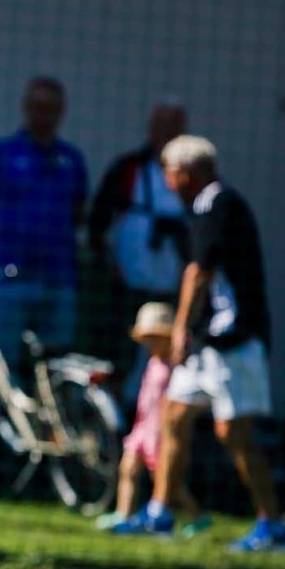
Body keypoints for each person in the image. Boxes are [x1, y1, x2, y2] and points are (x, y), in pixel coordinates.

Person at [116, 136, 285, 553]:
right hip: (211, 339)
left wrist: (180, 327)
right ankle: (160, 513)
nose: (168, 182)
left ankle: (272, 526)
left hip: (235, 339)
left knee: (234, 433)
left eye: (170, 173)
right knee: (173, 415)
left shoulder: (217, 204)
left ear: (186, 173)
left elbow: (199, 271)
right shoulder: (207, 206)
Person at [0, 76, 89, 366]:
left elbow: (78, 211)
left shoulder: (71, 159)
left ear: (62, 111)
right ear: (25, 108)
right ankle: (0, 413)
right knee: (2, 361)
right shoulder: (2, 154)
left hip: (58, 279)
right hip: (8, 278)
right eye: (37, 106)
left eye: (51, 107)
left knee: (55, 362)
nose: (43, 114)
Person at [87, 100, 190, 386]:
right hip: (128, 284)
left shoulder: (192, 176)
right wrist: (109, 265)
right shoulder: (129, 168)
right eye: (161, 127)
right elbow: (98, 223)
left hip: (170, 285)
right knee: (121, 353)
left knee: (162, 360)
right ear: (150, 130)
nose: (167, 135)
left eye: (174, 129)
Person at [102, 302, 207, 534]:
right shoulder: (151, 362)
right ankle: (124, 514)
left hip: (161, 432)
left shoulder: (176, 365)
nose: (151, 344)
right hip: (143, 427)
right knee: (127, 468)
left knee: (169, 482)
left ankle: (198, 515)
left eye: (156, 338)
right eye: (147, 339)